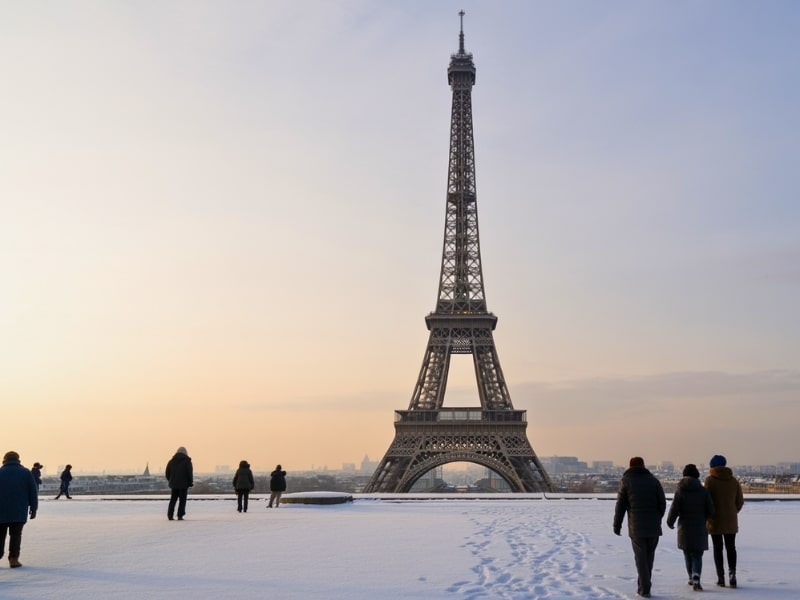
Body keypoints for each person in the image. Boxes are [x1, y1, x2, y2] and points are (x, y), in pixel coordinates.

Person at [613, 456, 666, 598]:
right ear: (643, 466)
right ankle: (644, 585)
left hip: (636, 526)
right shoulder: (653, 481)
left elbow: (620, 506)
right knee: (649, 557)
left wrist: (617, 525)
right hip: (653, 525)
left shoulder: (626, 481)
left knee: (640, 558)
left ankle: (645, 588)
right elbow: (662, 503)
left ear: (630, 466)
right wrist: (657, 518)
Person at [667, 464, 715, 591]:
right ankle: (696, 576)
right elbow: (711, 510)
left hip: (684, 528)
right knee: (697, 555)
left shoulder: (680, 491)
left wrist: (670, 522)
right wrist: (706, 517)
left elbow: (674, 509)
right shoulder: (704, 491)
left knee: (687, 553)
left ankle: (690, 576)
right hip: (700, 527)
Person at [704, 454, 744, 588]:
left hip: (714, 519)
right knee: (731, 547)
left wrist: (710, 514)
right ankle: (732, 574)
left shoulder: (709, 481)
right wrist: (732, 512)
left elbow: (706, 501)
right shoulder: (734, 481)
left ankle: (720, 577)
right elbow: (740, 502)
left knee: (717, 548)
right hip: (731, 520)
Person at [0, 451, 39, 568]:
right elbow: (33, 492)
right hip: (19, 510)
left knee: (0, 535)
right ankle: (14, 559)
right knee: (16, 535)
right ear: (18, 460)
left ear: (5, 460)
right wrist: (34, 508)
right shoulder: (26, 473)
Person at [165, 447, 193, 521]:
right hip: (184, 484)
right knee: (182, 500)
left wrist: (170, 480)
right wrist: (190, 482)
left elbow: (167, 473)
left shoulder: (171, 461)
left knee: (173, 499)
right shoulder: (187, 461)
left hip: (174, 484)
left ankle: (170, 515)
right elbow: (189, 473)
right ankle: (180, 515)